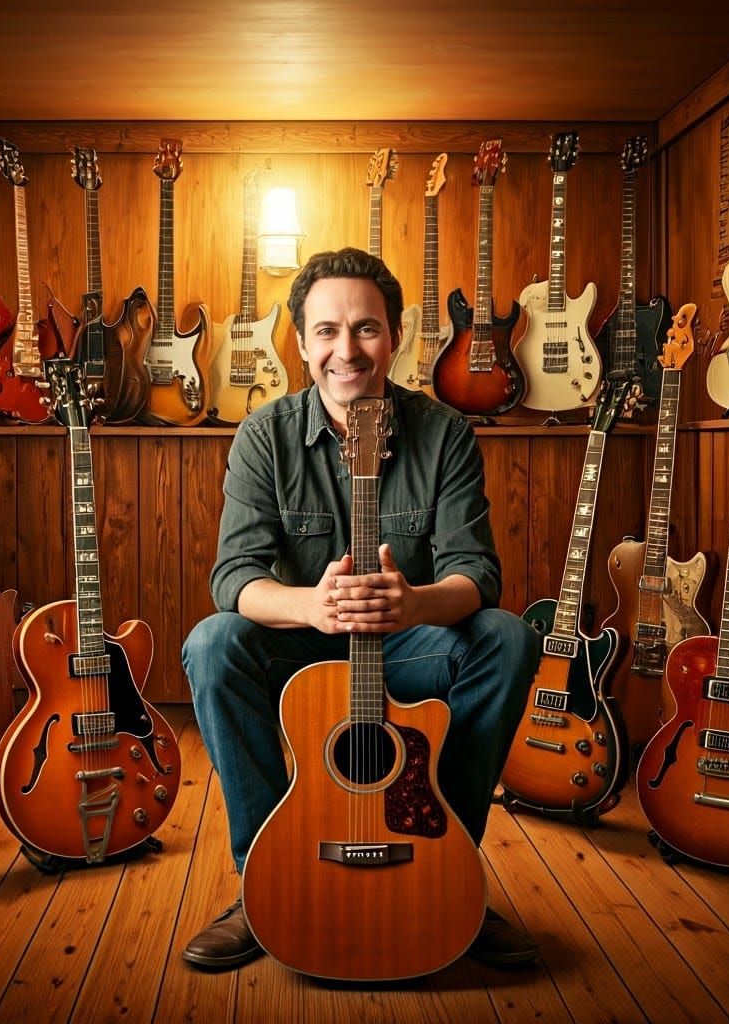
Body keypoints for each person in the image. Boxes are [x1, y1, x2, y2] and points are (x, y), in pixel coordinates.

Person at [181, 247, 541, 972]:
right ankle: (264, 879)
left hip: (405, 645)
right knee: (213, 643)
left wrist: (412, 603)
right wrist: (312, 605)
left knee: (505, 638)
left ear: (397, 335)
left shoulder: (444, 434)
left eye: (367, 329)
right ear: (301, 341)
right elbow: (236, 579)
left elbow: (476, 574)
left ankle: (447, 866)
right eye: (326, 332)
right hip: (303, 647)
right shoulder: (264, 436)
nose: (347, 351)